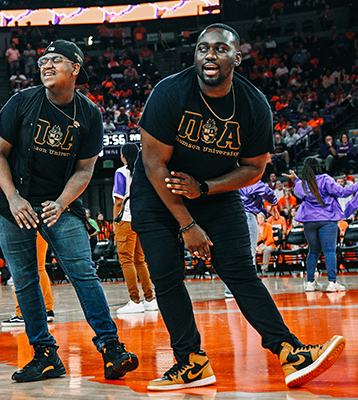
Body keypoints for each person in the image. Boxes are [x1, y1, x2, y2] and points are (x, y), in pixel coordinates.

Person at [130, 24, 346, 390]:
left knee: (241, 273)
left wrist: (205, 188)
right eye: (202, 49)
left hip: (212, 190)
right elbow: (154, 163)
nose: (209, 55)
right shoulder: (170, 92)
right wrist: (186, 225)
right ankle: (191, 362)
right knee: (167, 277)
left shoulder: (253, 105)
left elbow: (255, 168)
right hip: (157, 193)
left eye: (219, 49)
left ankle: (290, 352)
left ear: (236, 57)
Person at [0, 39, 138, 383]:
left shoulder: (89, 114)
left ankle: (111, 348)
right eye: (42, 60)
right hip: (13, 203)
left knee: (83, 272)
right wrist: (12, 197)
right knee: (25, 280)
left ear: (75, 68)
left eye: (55, 60)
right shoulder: (22, 102)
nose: (45, 65)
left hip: (58, 202)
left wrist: (62, 203)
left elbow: (85, 170)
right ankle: (44, 355)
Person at [286, 157, 358, 293]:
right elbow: (343, 192)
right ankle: (332, 282)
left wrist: (295, 179)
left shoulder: (302, 184)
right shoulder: (325, 179)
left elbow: (299, 190)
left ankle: (310, 283)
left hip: (309, 220)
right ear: (318, 166)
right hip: (327, 218)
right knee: (329, 250)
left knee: (313, 251)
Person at [112, 143, 157, 313]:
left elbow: (118, 200)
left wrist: (115, 221)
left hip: (125, 220)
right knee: (140, 260)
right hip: (142, 219)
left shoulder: (121, 172)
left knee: (126, 260)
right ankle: (150, 299)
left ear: (123, 156)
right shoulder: (143, 171)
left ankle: (135, 301)